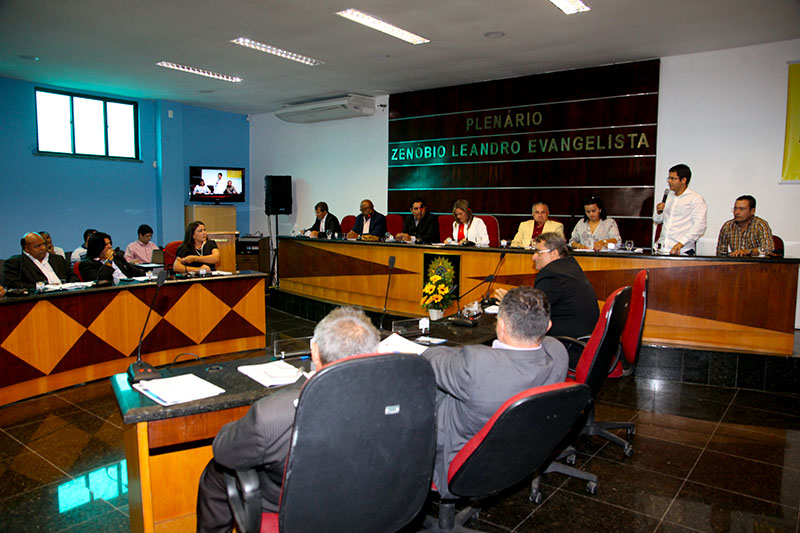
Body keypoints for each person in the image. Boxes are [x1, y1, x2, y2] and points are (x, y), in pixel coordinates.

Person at [196, 307, 380, 533]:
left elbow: (224, 451)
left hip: (294, 504)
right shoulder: (395, 399)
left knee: (215, 472)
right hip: (366, 496)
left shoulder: (274, 414)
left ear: (314, 351)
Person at [421, 286, 569, 498]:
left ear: (501, 325)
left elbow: (431, 358)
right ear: (548, 326)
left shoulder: (477, 366)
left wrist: (457, 353)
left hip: (462, 465)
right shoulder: (558, 352)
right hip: (523, 456)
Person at [495, 233, 599, 367]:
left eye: (539, 252)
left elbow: (530, 313)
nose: (534, 257)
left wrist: (510, 300)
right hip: (586, 343)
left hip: (569, 348)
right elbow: (538, 299)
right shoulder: (569, 267)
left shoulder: (552, 274)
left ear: (554, 254)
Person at [653, 163, 707, 255]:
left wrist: (681, 243)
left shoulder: (695, 198)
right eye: (668, 178)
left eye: (673, 178)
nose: (669, 181)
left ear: (683, 180)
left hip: (682, 251)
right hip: (662, 250)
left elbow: (699, 226)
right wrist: (658, 212)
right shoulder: (668, 196)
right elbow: (657, 220)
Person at [4, 232, 73, 289]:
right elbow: (13, 284)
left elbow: (72, 275)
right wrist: (42, 286)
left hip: (66, 294)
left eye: (44, 244)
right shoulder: (16, 263)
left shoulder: (57, 259)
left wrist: (70, 285)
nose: (43, 248)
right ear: (26, 249)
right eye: (37, 246)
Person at [79, 232, 144, 282]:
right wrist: (109, 260)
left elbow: (134, 271)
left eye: (110, 243)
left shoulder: (117, 256)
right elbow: (100, 281)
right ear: (97, 247)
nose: (110, 246)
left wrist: (149, 275)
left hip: (127, 287)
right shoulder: (86, 264)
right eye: (106, 244)